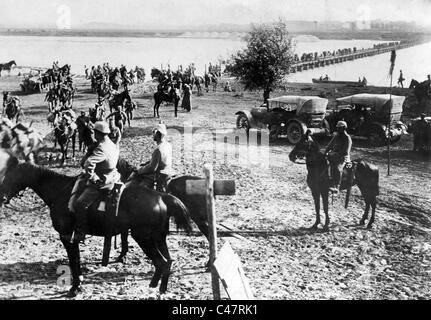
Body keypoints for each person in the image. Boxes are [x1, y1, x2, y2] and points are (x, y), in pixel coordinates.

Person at [70, 121, 121, 242]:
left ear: (98, 133)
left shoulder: (101, 148)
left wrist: (93, 178)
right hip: (114, 175)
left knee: (80, 203)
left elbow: (88, 164)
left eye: (95, 132)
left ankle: (80, 232)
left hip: (103, 179)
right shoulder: (112, 144)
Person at [133, 124, 173, 192]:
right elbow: (160, 160)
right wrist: (147, 163)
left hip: (160, 175)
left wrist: (140, 170)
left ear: (158, 134)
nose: (153, 135)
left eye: (154, 133)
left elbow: (152, 169)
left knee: (140, 190)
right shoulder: (168, 145)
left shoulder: (158, 150)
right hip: (168, 171)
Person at [325, 121, 352, 194]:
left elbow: (346, 152)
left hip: (342, 157)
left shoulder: (347, 138)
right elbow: (329, 145)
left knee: (337, 168)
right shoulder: (336, 136)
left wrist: (334, 154)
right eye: (337, 128)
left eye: (339, 128)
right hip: (333, 156)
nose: (338, 129)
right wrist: (326, 152)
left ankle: (336, 186)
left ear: (344, 128)